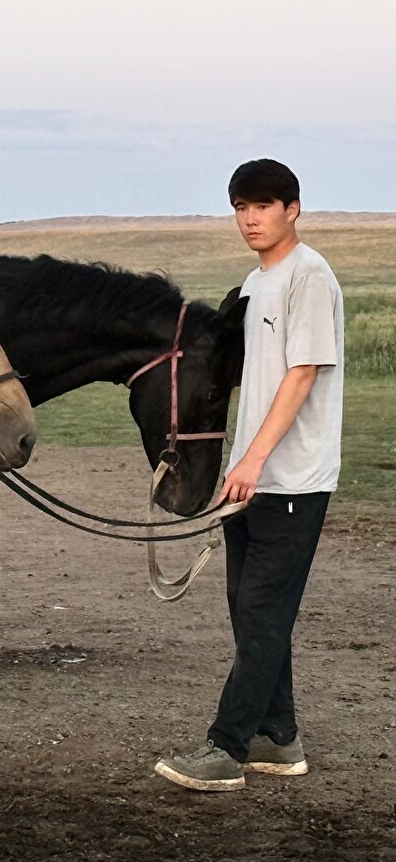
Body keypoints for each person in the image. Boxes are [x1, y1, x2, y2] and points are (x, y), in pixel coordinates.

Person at [154, 159, 345, 792]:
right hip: (254, 477)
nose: (250, 219)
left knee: (262, 613)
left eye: (263, 206)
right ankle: (278, 737)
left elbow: (302, 374)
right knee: (251, 611)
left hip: (294, 478)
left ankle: (226, 747)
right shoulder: (255, 283)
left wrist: (255, 457)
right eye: (241, 207)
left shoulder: (308, 276)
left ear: (293, 208)